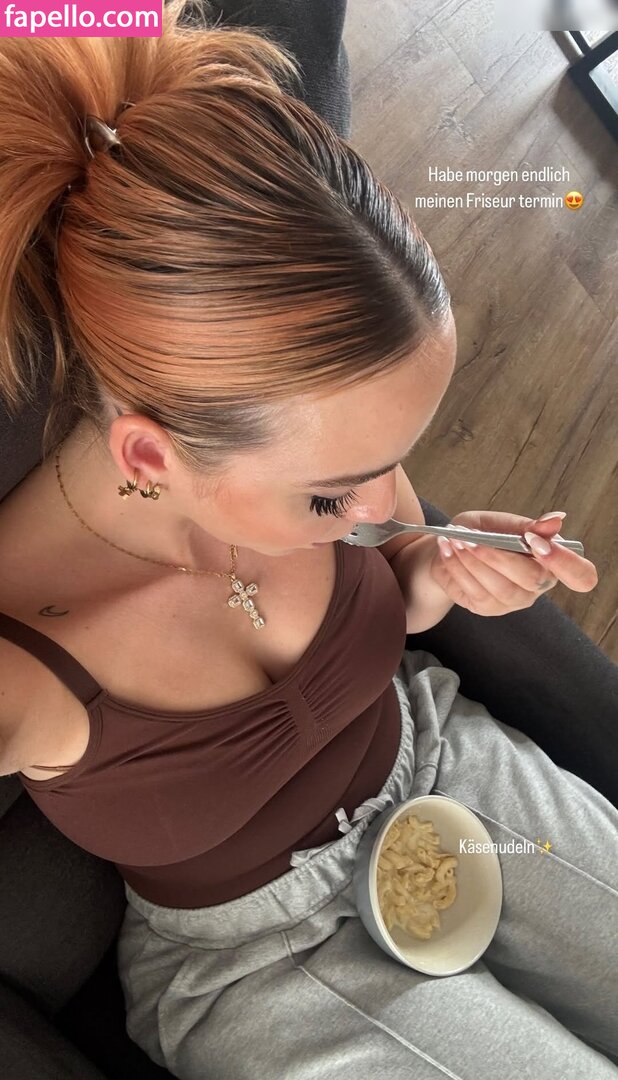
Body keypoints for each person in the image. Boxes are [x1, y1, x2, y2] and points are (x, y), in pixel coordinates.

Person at [0, 2, 615, 1077]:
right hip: (260, 958)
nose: (382, 505)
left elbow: (394, 569)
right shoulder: (25, 662)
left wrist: (439, 569)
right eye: (332, 498)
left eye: (396, 456)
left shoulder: (316, 450)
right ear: (150, 457)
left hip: (439, 761)